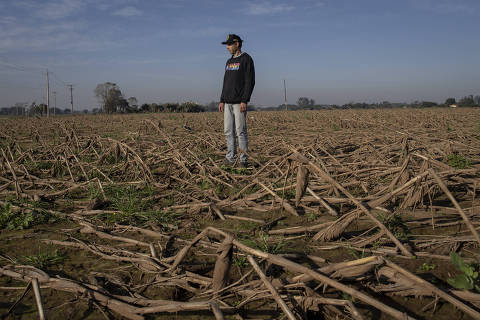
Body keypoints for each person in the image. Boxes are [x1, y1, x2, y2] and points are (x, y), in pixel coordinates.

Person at [219, 34, 255, 168]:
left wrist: (244, 100)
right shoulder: (228, 62)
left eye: (229, 44)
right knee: (228, 131)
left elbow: (249, 81)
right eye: (227, 45)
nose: (227, 47)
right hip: (227, 102)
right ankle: (230, 157)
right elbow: (225, 82)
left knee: (240, 131)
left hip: (239, 102)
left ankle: (243, 160)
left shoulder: (246, 59)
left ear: (237, 44)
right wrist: (222, 99)